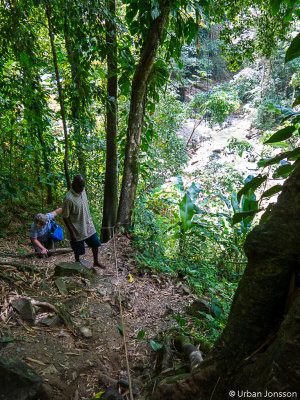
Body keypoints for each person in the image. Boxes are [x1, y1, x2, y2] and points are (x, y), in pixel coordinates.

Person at [62, 174, 105, 268]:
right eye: (80, 186)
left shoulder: (82, 190)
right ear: (74, 184)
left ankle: (96, 262)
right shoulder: (68, 199)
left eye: (83, 185)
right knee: (78, 250)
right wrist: (72, 232)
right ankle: (77, 262)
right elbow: (65, 217)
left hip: (88, 224)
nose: (82, 188)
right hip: (76, 228)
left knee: (95, 243)